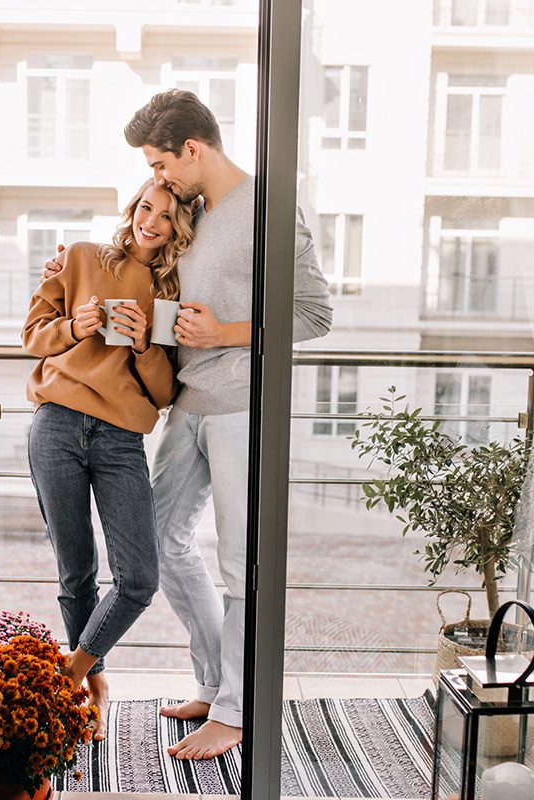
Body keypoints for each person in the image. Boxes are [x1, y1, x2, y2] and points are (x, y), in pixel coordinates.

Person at [44, 88, 333, 760]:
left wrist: (229, 330)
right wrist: (68, 275)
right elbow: (143, 258)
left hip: (239, 410)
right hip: (187, 405)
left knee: (239, 565)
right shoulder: (191, 210)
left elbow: (316, 316)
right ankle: (213, 682)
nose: (157, 176)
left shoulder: (271, 211)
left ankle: (235, 712)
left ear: (192, 149)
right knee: (158, 541)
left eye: (160, 162)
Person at [24, 178, 195, 740]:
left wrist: (144, 344)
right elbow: (32, 337)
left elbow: (165, 393)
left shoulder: (172, 289)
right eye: (147, 208)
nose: (152, 222)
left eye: (167, 217)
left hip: (122, 439)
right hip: (58, 425)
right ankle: (94, 695)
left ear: (179, 228)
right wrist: (77, 325)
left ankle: (68, 676)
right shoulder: (78, 257)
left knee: (138, 577)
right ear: (134, 208)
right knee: (76, 575)